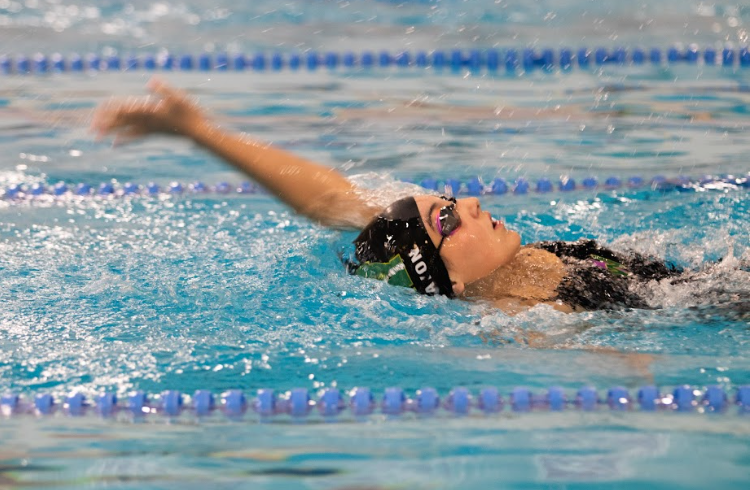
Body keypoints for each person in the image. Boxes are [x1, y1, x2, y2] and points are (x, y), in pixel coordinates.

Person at [90, 78, 739, 315]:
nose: (474, 206)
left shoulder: (498, 265)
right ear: (443, 275)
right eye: (451, 220)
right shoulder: (524, 314)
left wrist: (201, 133)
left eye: (453, 203)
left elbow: (329, 199)